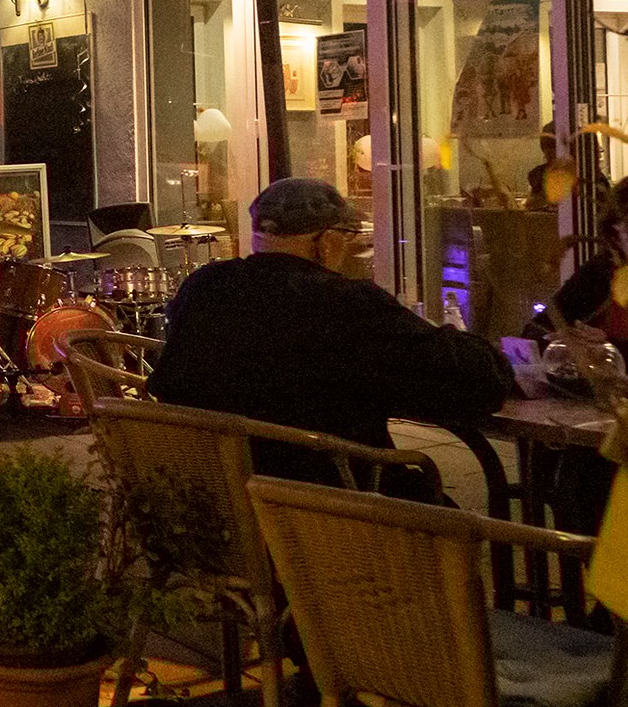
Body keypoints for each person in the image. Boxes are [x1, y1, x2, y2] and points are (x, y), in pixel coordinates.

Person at [149, 177, 513, 489]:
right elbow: (479, 380)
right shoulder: (345, 304)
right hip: (335, 508)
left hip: (220, 499)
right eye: (346, 234)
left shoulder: (204, 287)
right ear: (324, 241)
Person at [544, 172, 628, 373]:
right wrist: (568, 339)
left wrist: (608, 347)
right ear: (615, 230)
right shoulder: (601, 271)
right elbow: (538, 328)